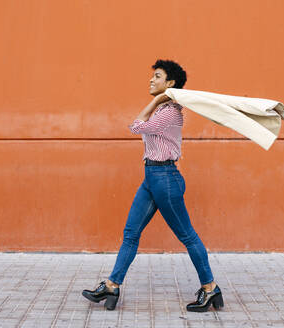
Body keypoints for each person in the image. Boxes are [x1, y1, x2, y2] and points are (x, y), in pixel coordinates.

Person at [81, 59, 224, 312]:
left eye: (157, 76)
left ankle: (210, 288)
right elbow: (139, 124)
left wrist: (157, 101)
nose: (151, 79)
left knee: (187, 236)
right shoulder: (163, 109)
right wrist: (157, 101)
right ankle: (112, 285)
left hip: (165, 179)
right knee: (131, 233)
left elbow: (136, 125)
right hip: (151, 178)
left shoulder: (169, 111)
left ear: (170, 83)